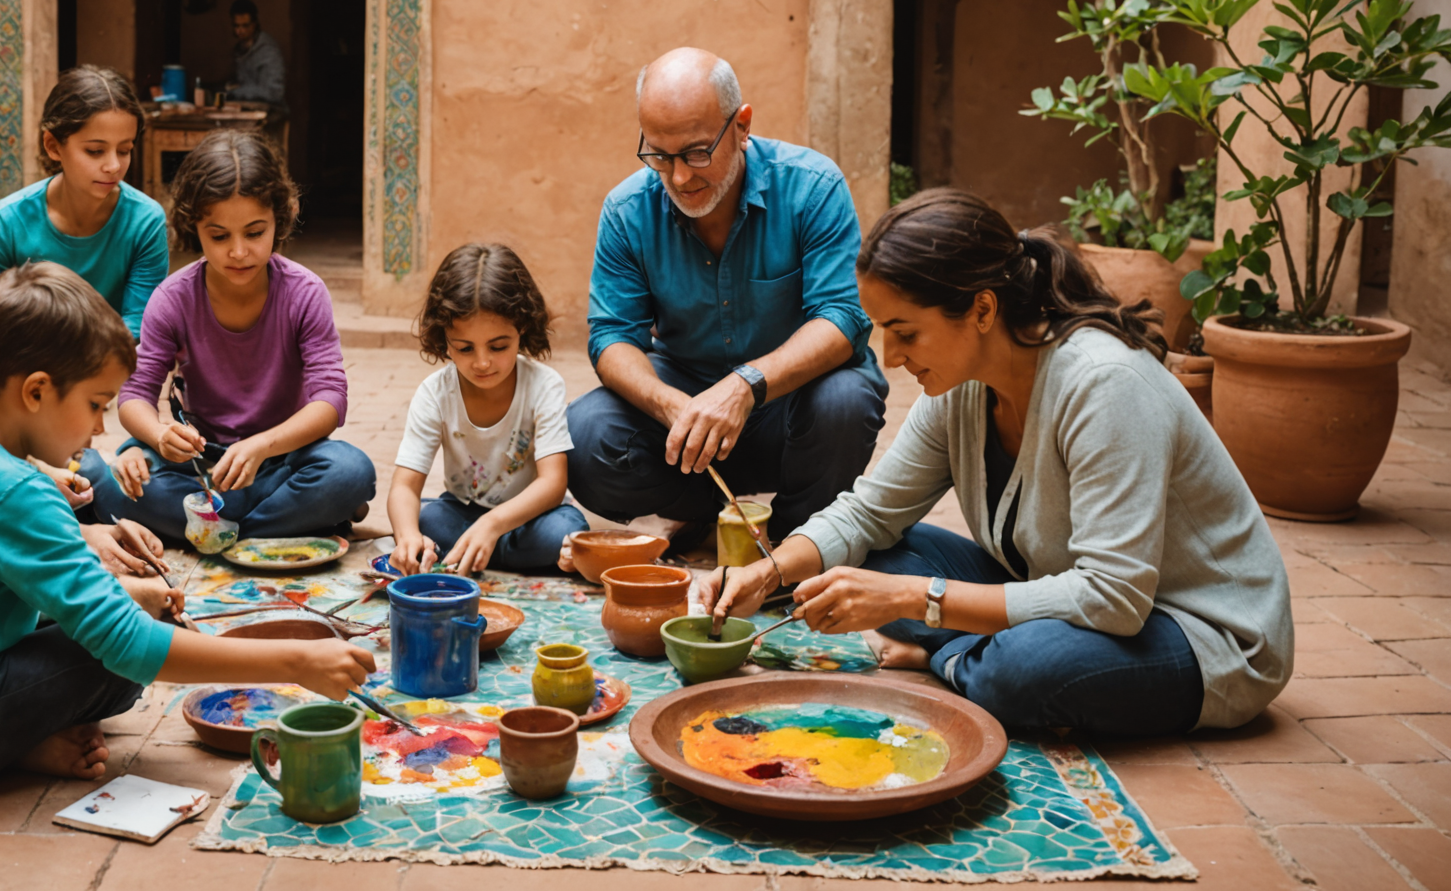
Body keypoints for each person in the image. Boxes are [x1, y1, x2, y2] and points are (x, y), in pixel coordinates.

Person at [695, 190, 1294, 736]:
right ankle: (971, 652)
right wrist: (770, 574)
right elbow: (868, 514)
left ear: (981, 310)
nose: (891, 356)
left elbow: (1114, 596)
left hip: (1200, 634)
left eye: (905, 332)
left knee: (1025, 669)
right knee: (869, 559)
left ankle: (949, 657)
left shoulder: (1104, 385)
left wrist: (912, 601)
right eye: (882, 331)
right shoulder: (960, 385)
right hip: (1065, 592)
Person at [0, 263, 374, 796]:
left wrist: (125, 591)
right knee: (116, 661)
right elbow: (127, 647)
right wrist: (295, 661)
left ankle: (11, 740)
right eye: (94, 404)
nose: (100, 427)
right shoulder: (15, 490)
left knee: (118, 614)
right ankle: (2, 748)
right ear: (35, 392)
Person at [565, 47, 888, 547]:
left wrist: (745, 386)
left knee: (847, 400)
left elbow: (844, 318)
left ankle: (795, 538)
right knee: (587, 435)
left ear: (742, 126)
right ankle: (709, 513)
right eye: (659, 155)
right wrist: (668, 405)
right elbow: (611, 336)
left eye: (697, 153)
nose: (679, 177)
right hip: (687, 412)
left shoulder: (814, 186)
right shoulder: (627, 209)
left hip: (790, 404)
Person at [0, 65, 170, 572]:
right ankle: (44, 467)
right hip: (23, 390)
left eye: (125, 149)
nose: (114, 165)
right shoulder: (10, 218)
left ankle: (37, 467)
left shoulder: (144, 221)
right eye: (95, 150)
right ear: (53, 145)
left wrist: (79, 391)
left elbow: (136, 331)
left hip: (81, 392)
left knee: (105, 478)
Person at [96, 129, 374, 544]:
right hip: (200, 464)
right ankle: (291, 523)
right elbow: (135, 395)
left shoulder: (304, 292)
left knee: (350, 471)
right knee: (107, 481)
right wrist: (157, 437)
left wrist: (263, 445)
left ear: (282, 216)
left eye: (255, 232)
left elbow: (331, 401)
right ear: (195, 228)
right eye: (220, 236)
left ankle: (211, 529)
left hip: (285, 457)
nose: (239, 251)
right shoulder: (172, 299)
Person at [386, 244, 586, 575]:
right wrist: (407, 538)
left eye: (498, 346)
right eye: (464, 348)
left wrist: (493, 525)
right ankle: (491, 551)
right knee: (426, 519)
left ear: (522, 329)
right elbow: (405, 486)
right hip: (463, 513)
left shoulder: (544, 385)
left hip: (530, 518)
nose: (482, 362)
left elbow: (553, 483)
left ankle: (480, 550)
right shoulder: (435, 393)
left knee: (564, 532)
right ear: (443, 339)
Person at [227, 0, 286, 105]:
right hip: (248, 109)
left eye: (245, 25)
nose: (240, 31)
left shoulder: (268, 51)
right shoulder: (239, 50)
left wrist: (237, 92)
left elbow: (274, 93)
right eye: (236, 26)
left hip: (271, 112)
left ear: (254, 24)